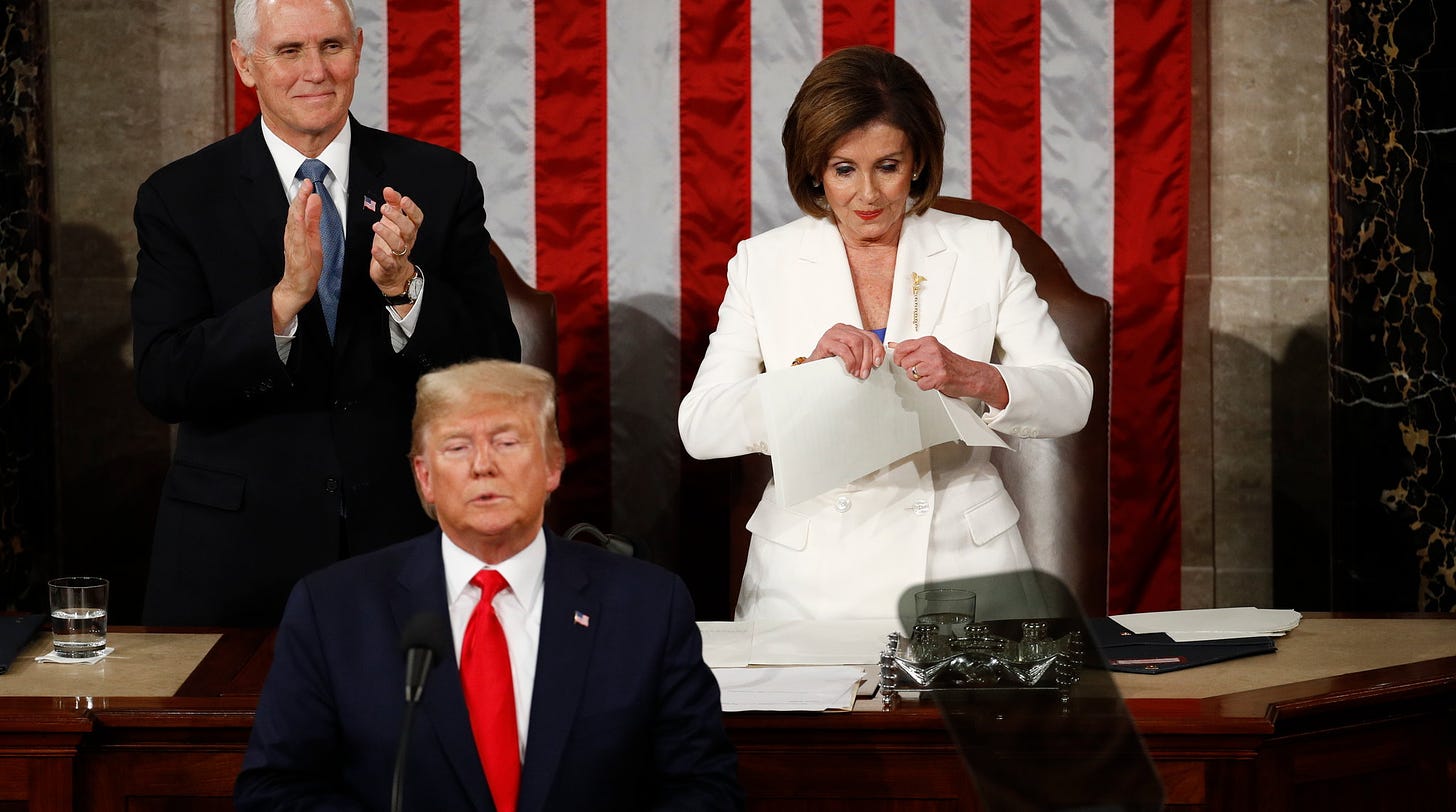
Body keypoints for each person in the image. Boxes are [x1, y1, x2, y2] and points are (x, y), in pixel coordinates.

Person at [131, 0, 520, 626]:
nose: (316, 70)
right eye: (289, 51)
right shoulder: (179, 198)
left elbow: (500, 367)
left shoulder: (439, 181)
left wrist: (406, 290)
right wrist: (282, 303)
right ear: (245, 64)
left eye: (332, 47)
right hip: (235, 559)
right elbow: (162, 379)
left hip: (403, 543)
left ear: (359, 49)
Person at [678, 46, 1093, 621]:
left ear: (918, 161)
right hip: (809, 582)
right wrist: (802, 383)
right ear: (815, 169)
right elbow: (701, 427)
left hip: (963, 571)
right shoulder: (762, 262)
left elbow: (1072, 397)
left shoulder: (983, 247)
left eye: (888, 167)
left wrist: (976, 377)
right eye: (844, 169)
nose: (868, 195)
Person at [235, 359, 742, 811]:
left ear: (552, 466)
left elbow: (704, 788)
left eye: (507, 441)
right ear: (425, 478)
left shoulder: (648, 606)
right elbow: (275, 790)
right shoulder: (334, 610)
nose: (483, 465)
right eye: (457, 446)